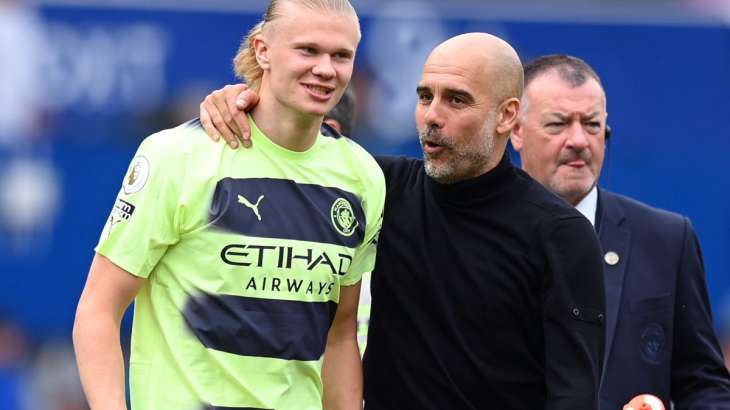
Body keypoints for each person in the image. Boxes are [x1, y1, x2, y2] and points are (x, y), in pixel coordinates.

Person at [198, 32, 607, 409]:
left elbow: (573, 393)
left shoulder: (560, 233)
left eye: (456, 100)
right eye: (425, 96)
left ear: (506, 116)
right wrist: (237, 101)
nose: (432, 115)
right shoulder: (380, 187)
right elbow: (293, 150)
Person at [72, 1, 385, 409]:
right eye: (308, 50)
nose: (326, 68)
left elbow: (341, 333)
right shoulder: (177, 155)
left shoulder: (362, 177)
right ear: (262, 51)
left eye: (341, 55)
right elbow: (98, 309)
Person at [510, 54, 730, 409]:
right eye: (558, 124)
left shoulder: (666, 240)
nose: (579, 140)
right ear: (515, 129)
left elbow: (705, 386)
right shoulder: (478, 235)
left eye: (593, 124)